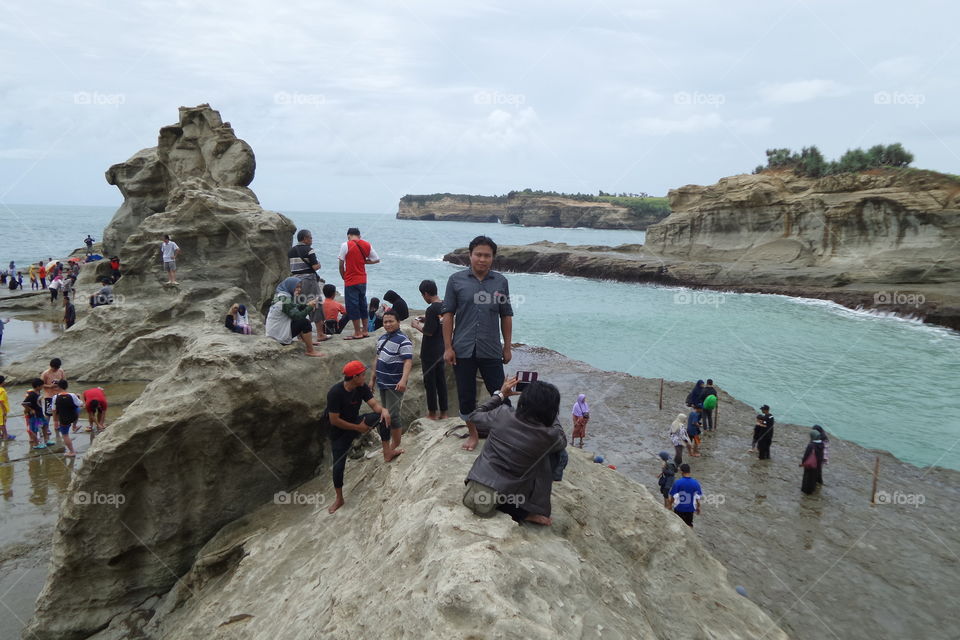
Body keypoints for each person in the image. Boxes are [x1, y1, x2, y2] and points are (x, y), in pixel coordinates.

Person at [442, 236, 514, 451]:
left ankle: (504, 434)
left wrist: (507, 346)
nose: (482, 259)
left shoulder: (500, 282)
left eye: (487, 256)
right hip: (462, 348)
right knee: (466, 395)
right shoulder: (456, 280)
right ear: (470, 256)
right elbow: (448, 315)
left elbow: (506, 315)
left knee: (501, 393)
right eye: (478, 255)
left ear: (493, 258)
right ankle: (473, 434)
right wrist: (447, 347)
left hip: (491, 347)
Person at [462, 377, 566, 526]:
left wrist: (501, 395)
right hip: (506, 498)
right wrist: (551, 414)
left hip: (474, 491)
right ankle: (528, 509)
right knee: (558, 454)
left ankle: (512, 505)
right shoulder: (550, 436)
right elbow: (562, 439)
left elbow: (474, 415)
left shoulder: (502, 413)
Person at [324, 360, 392, 514]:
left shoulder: (362, 387)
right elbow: (334, 420)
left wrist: (384, 410)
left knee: (384, 417)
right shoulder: (335, 393)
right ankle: (339, 498)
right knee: (338, 465)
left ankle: (387, 453)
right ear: (354, 377)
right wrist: (358, 428)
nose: (365, 376)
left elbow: (374, 406)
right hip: (338, 430)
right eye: (362, 375)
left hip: (354, 421)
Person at [370, 310, 412, 462]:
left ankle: (396, 443)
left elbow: (408, 361)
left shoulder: (403, 340)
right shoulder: (382, 338)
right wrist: (372, 379)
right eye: (385, 322)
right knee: (385, 413)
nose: (387, 324)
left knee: (393, 414)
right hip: (382, 381)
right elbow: (377, 358)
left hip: (394, 383)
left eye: (391, 321)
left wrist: (403, 380)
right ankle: (389, 445)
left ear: (398, 322)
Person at [410, 279, 448, 419]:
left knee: (430, 383)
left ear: (426, 294)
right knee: (441, 382)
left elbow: (428, 332)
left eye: (422, 295)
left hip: (429, 351)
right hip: (441, 348)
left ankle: (432, 413)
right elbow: (441, 321)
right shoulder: (444, 305)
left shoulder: (431, 309)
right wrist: (426, 319)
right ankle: (444, 412)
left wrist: (416, 325)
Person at [264, 278, 323, 357]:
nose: (299, 290)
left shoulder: (281, 296)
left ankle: (305, 340)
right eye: (297, 287)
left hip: (273, 332)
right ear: (290, 286)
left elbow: (295, 308)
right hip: (278, 336)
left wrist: (307, 305)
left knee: (301, 319)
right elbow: (298, 316)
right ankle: (310, 350)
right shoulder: (285, 300)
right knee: (305, 322)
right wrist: (309, 307)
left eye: (300, 287)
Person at [339, 227, 380, 340]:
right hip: (362, 280)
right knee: (362, 304)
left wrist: (343, 276)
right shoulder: (367, 245)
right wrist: (363, 262)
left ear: (348, 235)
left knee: (353, 306)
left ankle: (357, 332)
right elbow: (376, 259)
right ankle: (365, 330)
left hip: (351, 280)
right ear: (359, 236)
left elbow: (341, 263)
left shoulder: (345, 245)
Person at [288, 229, 325, 338]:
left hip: (295, 282)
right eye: (310, 237)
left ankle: (300, 336)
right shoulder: (309, 250)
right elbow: (315, 267)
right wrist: (319, 265)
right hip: (308, 280)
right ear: (305, 239)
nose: (311, 240)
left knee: (299, 305)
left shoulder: (291, 251)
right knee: (316, 304)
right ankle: (320, 334)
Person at [669, 463, 703, 528]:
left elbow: (673, 497)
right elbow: (698, 498)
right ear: (689, 471)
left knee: (678, 525)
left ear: (682, 471)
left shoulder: (677, 483)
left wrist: (670, 505)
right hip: (690, 509)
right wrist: (698, 507)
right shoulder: (696, 483)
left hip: (679, 508)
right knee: (689, 525)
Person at [53, 380, 81, 456]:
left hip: (64, 419)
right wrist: (78, 397)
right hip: (73, 417)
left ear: (58, 387)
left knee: (65, 435)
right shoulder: (72, 395)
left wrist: (55, 421)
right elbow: (80, 404)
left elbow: (54, 410)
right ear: (67, 386)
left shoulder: (55, 397)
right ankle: (74, 426)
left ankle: (72, 452)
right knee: (77, 408)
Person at [41, 358, 67, 434]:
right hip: (49, 395)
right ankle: (46, 428)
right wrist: (50, 386)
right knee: (48, 413)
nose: (56, 369)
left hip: (59, 394)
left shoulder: (61, 371)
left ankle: (57, 425)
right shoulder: (45, 373)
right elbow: (41, 385)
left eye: (57, 368)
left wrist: (60, 384)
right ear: (51, 366)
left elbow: (64, 381)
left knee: (58, 411)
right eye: (55, 368)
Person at [800, 430, 826, 495]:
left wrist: (803, 462)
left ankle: (806, 491)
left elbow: (806, 455)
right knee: (814, 477)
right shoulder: (822, 444)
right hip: (817, 464)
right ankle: (812, 489)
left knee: (807, 477)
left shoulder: (811, 445)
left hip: (810, 464)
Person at [22, 378, 46, 448]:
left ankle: (43, 441)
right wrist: (31, 409)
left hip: (39, 414)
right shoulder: (31, 394)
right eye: (42, 385)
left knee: (40, 427)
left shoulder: (38, 392)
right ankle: (36, 444)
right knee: (34, 429)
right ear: (38, 386)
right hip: (34, 416)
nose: (43, 387)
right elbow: (24, 404)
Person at [0, 376, 11, 441]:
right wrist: (4, 411)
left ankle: (2, 435)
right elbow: (1, 401)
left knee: (1, 423)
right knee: (2, 424)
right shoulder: (2, 391)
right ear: (2, 382)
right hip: (1, 410)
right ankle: (5, 436)